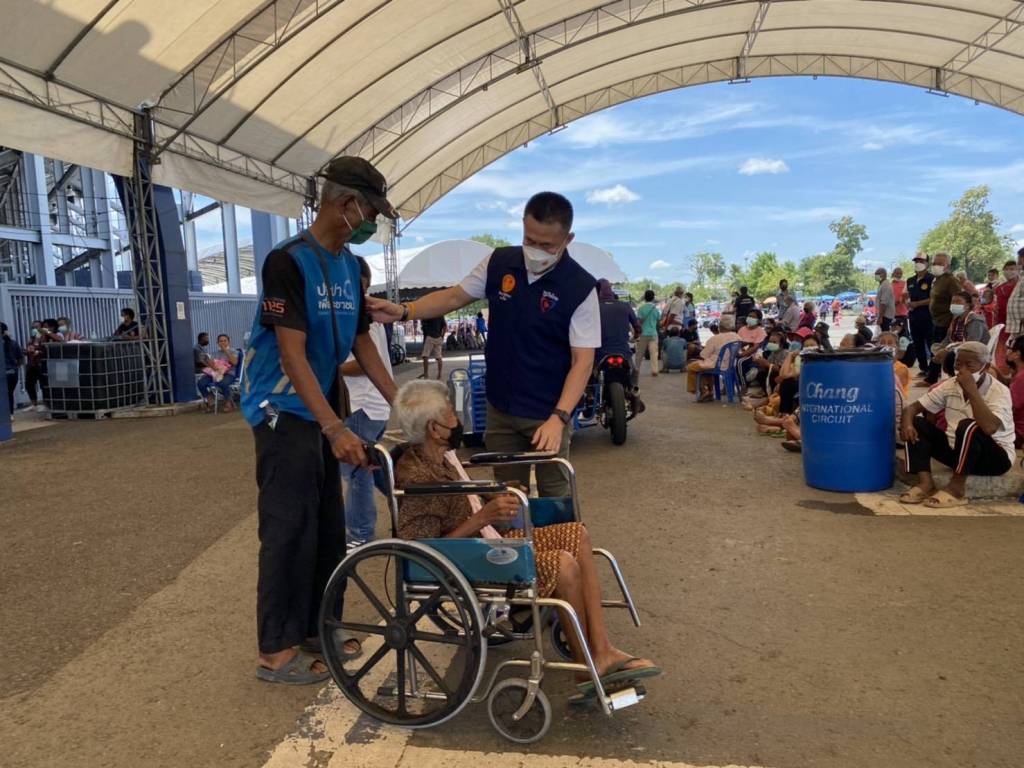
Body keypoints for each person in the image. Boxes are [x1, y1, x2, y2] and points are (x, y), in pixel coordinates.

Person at [240, 156, 398, 685]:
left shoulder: (352, 267)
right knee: (288, 527)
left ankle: (317, 628)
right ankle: (275, 650)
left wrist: (404, 403)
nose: (372, 222)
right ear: (346, 203)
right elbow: (292, 355)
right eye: (371, 212)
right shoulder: (287, 262)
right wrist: (334, 429)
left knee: (328, 528)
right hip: (280, 408)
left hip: (323, 405)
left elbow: (361, 343)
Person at [392, 379, 660, 686]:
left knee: (577, 535)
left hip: (487, 541)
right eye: (451, 413)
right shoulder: (418, 478)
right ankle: (584, 666)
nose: (457, 418)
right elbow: (422, 551)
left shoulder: (442, 456)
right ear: (434, 429)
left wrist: (494, 494)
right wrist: (482, 518)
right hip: (470, 558)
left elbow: (464, 493)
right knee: (562, 564)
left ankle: (601, 650)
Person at [368, 191, 599, 498]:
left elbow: (583, 362)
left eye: (547, 245)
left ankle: (559, 530)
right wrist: (404, 311)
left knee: (555, 495)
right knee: (506, 495)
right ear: (522, 226)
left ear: (567, 240)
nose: (535, 251)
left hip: (548, 411)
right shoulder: (499, 262)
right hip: (500, 406)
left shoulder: (580, 287)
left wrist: (559, 418)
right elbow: (454, 296)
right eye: (529, 240)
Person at [899, 342, 1014, 508]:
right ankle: (925, 483)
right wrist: (907, 424)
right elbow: (912, 408)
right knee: (916, 423)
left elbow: (989, 428)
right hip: (958, 454)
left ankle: (957, 488)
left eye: (970, 365)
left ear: (986, 367)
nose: (962, 370)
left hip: (993, 459)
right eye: (958, 364)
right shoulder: (950, 385)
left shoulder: (999, 391)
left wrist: (972, 391)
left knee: (968, 426)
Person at [338, 257, 394, 548]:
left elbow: (363, 363)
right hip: (374, 406)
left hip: (363, 405)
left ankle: (360, 533)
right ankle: (408, 506)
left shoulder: (360, 316)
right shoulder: (367, 312)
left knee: (356, 471)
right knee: (376, 467)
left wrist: (330, 369)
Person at [921, 291, 990, 385]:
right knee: (937, 350)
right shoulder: (956, 320)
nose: (954, 304)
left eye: (958, 302)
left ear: (967, 305)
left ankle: (956, 381)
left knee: (949, 356)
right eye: (952, 302)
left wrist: (948, 350)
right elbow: (948, 339)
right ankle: (931, 379)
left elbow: (972, 343)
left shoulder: (975, 320)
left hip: (974, 350)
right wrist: (942, 348)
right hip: (959, 346)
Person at [686, 314, 741, 402]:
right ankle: (710, 391)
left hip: (716, 364)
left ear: (720, 326)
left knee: (691, 367)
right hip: (730, 364)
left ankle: (704, 391)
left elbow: (703, 355)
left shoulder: (714, 339)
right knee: (705, 368)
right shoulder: (737, 337)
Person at [905, 253, 934, 373]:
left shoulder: (932, 279)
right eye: (916, 261)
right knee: (917, 343)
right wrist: (907, 302)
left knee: (931, 343)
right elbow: (907, 296)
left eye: (921, 261)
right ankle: (923, 368)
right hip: (913, 317)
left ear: (927, 263)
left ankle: (934, 369)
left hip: (928, 317)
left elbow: (933, 298)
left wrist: (917, 304)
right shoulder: (910, 280)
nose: (918, 264)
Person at [197, 333, 240, 411]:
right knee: (201, 383)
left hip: (229, 373)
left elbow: (235, 362)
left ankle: (228, 402)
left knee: (223, 383)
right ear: (218, 343)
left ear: (228, 342)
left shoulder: (234, 351)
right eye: (221, 341)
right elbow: (211, 364)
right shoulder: (215, 353)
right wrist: (210, 364)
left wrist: (225, 350)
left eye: (225, 341)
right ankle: (210, 398)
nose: (223, 342)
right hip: (215, 373)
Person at [929, 253, 961, 345]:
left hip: (946, 324)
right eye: (934, 264)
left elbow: (958, 303)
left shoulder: (951, 281)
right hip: (936, 322)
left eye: (940, 264)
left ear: (948, 266)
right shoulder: (937, 280)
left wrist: (953, 325)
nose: (936, 266)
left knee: (942, 350)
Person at [634, 289, 661, 377]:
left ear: (644, 298)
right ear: (653, 298)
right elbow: (658, 323)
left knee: (639, 353)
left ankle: (636, 369)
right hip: (653, 334)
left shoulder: (641, 309)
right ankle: (654, 370)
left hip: (643, 334)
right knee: (654, 353)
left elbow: (638, 322)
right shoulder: (656, 310)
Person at [1003, 336, 1024, 447]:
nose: (1007, 351)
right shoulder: (1019, 374)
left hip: (1018, 433)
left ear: (1017, 354)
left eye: (1010, 348)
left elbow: (1010, 407)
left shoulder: (1021, 378)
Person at [23, 321, 48, 412]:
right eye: (33, 327)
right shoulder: (31, 339)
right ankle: (34, 404)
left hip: (41, 364)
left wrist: (38, 352)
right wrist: (26, 351)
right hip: (31, 364)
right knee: (29, 385)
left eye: (36, 327)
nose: (34, 329)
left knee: (43, 385)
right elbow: (28, 350)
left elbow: (47, 351)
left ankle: (46, 404)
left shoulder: (45, 337)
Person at [2, 322, 23, 415]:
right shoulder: (13, 343)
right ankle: (10, 414)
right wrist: (14, 367)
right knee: (9, 393)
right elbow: (20, 359)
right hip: (13, 372)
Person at [419, 315, 446, 379]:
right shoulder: (440, 315)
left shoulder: (428, 314)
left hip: (430, 336)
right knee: (439, 357)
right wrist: (442, 336)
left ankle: (426, 373)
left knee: (425, 356)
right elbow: (445, 326)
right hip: (438, 337)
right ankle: (439, 374)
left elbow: (424, 327)